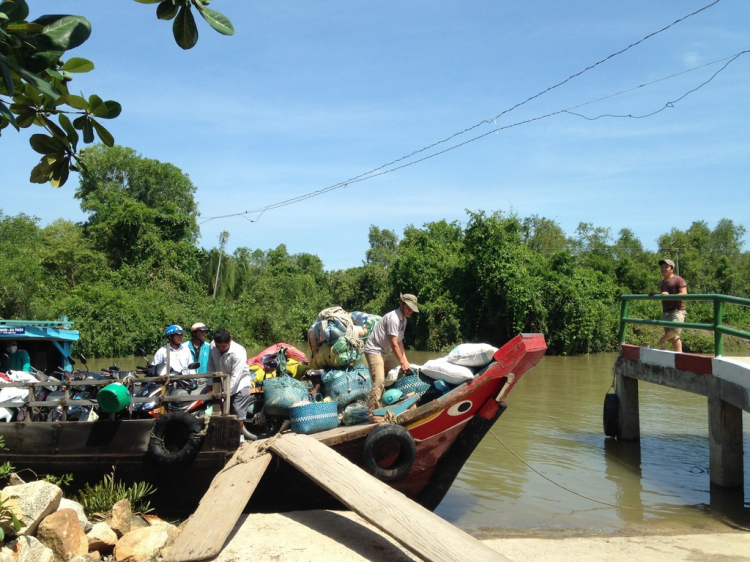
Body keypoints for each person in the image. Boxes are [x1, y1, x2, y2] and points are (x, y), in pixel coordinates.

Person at [364, 293, 419, 411]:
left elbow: (400, 343)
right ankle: (373, 413)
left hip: (385, 352)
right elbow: (394, 344)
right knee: (379, 381)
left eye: (412, 309)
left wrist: (405, 362)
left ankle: (393, 405)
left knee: (397, 375)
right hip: (374, 350)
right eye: (408, 307)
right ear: (401, 304)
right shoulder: (394, 318)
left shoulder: (404, 320)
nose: (410, 311)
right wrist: (402, 362)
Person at [206, 328, 252, 431]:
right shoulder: (212, 346)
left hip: (240, 383)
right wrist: (210, 382)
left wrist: (224, 394)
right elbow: (210, 364)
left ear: (229, 341)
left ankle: (238, 438)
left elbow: (236, 377)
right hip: (221, 382)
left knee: (237, 412)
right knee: (219, 411)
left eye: (223, 346)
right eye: (218, 346)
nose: (220, 349)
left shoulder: (238, 352)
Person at [652, 258, 687, 352]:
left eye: (666, 267)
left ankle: (662, 340)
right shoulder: (663, 282)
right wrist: (654, 294)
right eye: (662, 267)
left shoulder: (678, 279)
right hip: (666, 311)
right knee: (674, 338)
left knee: (675, 330)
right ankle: (679, 355)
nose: (663, 269)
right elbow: (663, 294)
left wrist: (670, 295)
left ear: (672, 269)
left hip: (677, 310)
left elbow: (684, 293)